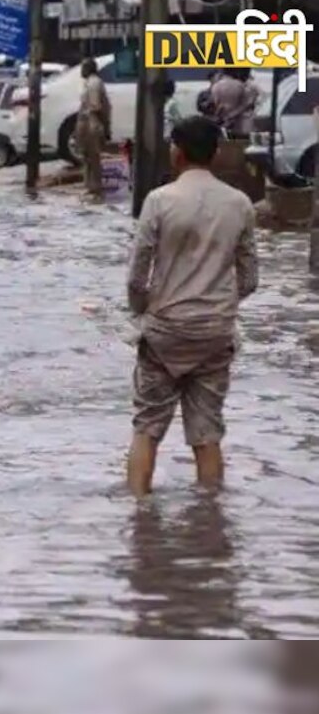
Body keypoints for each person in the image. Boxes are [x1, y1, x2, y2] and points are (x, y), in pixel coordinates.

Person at [126, 116, 259, 496]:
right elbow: (249, 279)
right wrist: (218, 304)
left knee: (147, 428)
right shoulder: (240, 204)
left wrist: (143, 310)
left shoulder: (159, 201)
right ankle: (210, 521)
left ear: (177, 153)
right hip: (216, 333)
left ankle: (138, 516)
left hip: (165, 330)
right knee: (207, 432)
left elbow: (137, 277)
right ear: (216, 153)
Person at [76, 58, 111, 203]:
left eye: (83, 68)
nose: (81, 71)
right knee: (88, 157)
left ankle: (96, 189)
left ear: (88, 68)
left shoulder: (94, 83)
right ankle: (91, 187)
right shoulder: (90, 82)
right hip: (88, 122)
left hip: (91, 123)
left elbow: (96, 107)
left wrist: (104, 126)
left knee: (93, 157)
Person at [207, 68, 260, 139]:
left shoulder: (215, 86)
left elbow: (215, 106)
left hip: (223, 125)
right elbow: (246, 104)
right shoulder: (240, 85)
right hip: (241, 125)